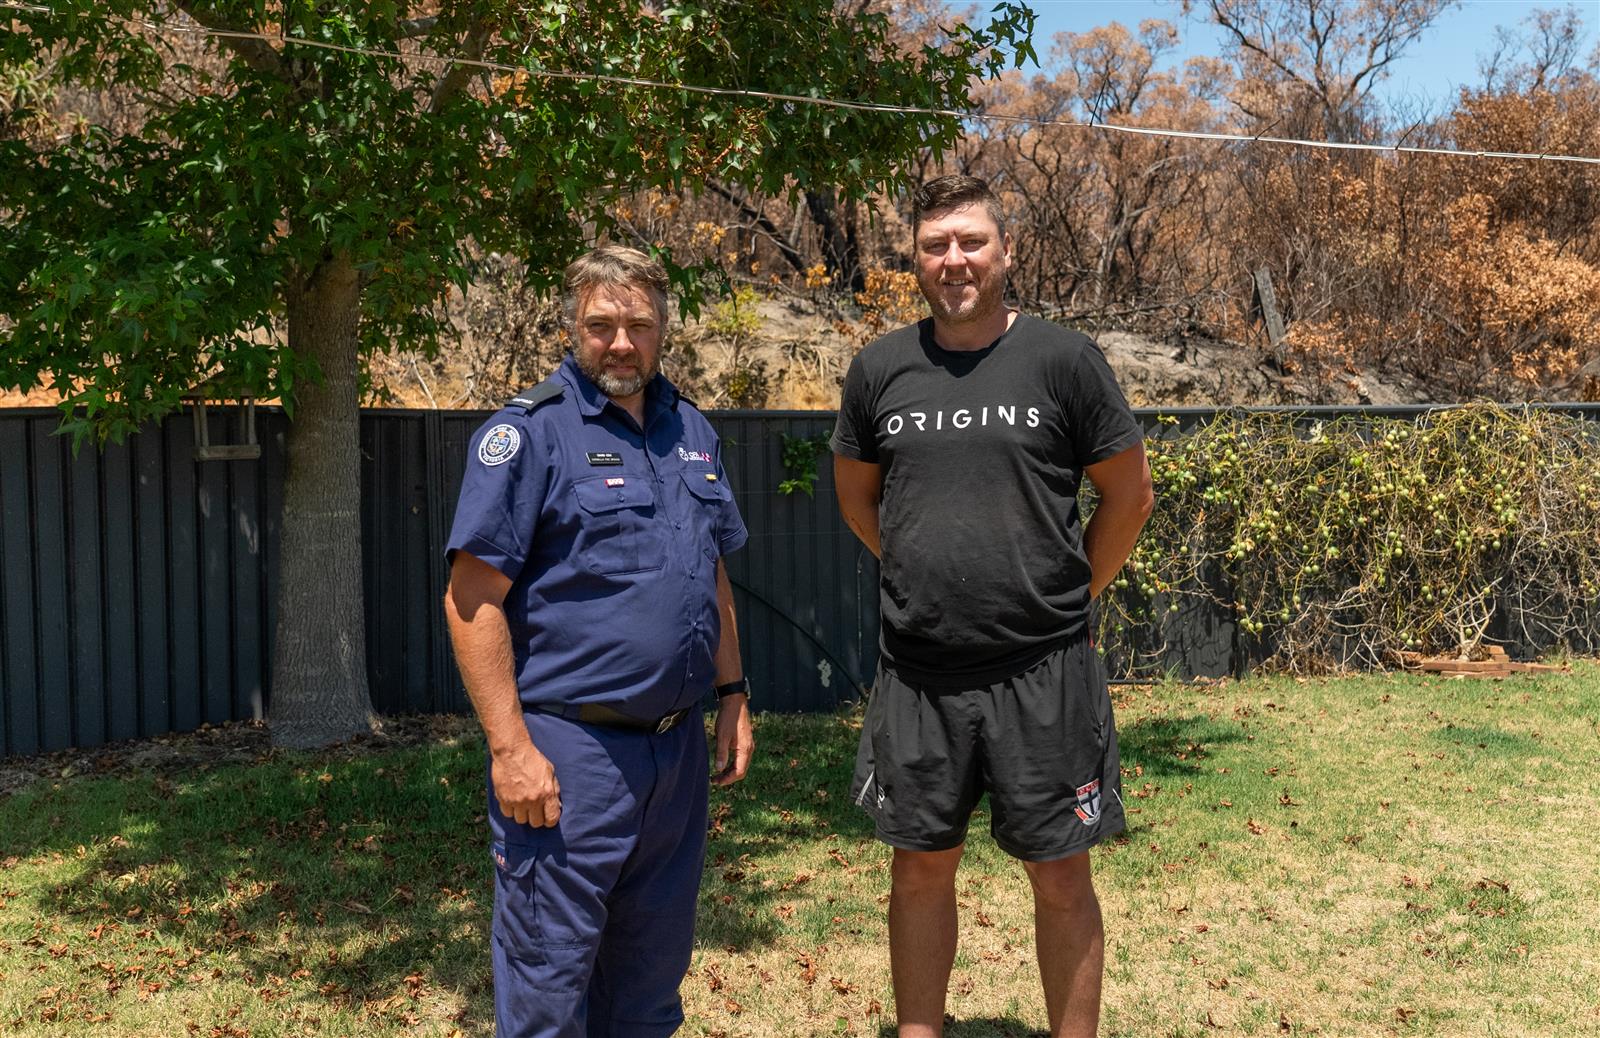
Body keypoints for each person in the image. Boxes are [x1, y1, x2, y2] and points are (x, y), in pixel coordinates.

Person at [830, 175, 1154, 1038]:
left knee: (1060, 878)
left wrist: (1070, 592)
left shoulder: (1064, 361)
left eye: (972, 241)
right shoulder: (880, 369)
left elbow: (1130, 499)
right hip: (921, 676)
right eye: (936, 245)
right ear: (916, 261)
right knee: (919, 873)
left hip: (1043, 673)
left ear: (1007, 252)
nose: (955, 259)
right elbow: (859, 503)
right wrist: (919, 577)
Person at [443, 244, 756, 1038]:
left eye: (639, 325)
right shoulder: (528, 436)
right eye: (601, 325)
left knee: (650, 985)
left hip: (675, 755)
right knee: (550, 986)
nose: (621, 343)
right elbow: (471, 599)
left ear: (663, 331)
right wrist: (511, 749)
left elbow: (709, 570)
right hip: (569, 756)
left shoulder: (690, 429)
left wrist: (732, 695)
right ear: (573, 328)